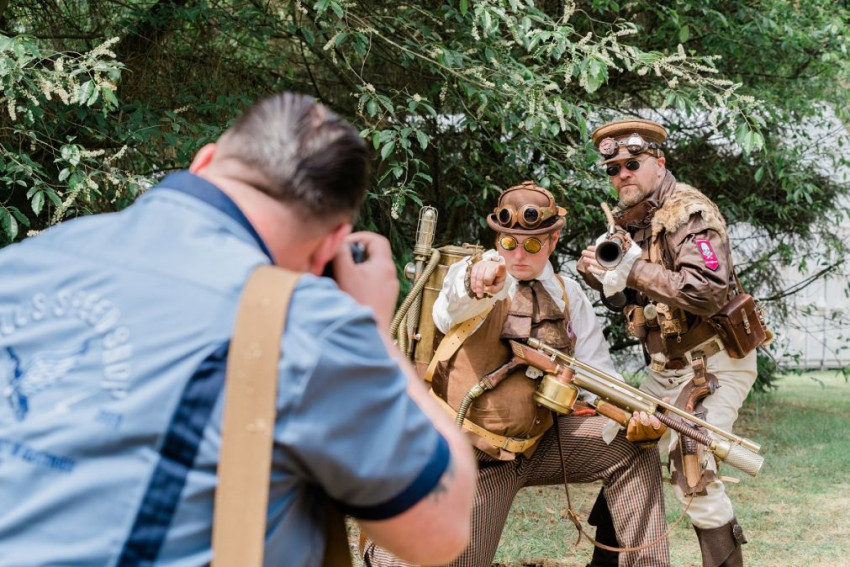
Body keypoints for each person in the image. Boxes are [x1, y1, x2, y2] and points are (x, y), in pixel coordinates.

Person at [0, 92, 477, 566]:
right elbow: (439, 531)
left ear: (203, 160)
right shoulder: (304, 325)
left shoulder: (22, 264)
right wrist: (371, 329)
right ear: (331, 243)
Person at [363, 181, 670, 567]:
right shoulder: (475, 274)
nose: (518, 253)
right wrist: (477, 281)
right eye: (509, 243)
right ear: (498, 238)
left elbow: (600, 380)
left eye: (532, 244)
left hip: (537, 445)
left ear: (553, 241)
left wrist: (636, 415)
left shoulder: (567, 294)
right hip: (467, 456)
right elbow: (446, 311)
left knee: (629, 448)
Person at [576, 118, 757, 567]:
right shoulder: (635, 220)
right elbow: (634, 301)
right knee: (620, 446)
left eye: (632, 164)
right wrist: (605, 279)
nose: (622, 176)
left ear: (659, 162)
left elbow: (707, 291)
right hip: (666, 369)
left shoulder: (687, 213)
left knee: (691, 464)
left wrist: (633, 269)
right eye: (613, 169)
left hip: (714, 364)